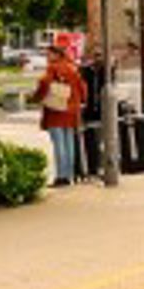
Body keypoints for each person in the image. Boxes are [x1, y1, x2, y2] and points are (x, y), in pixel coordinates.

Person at [32, 45, 86, 185]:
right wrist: (80, 101)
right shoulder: (72, 67)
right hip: (71, 110)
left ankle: (61, 176)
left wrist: (36, 97)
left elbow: (45, 83)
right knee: (69, 143)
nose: (47, 57)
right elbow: (82, 87)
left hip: (56, 110)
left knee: (59, 144)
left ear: (56, 55)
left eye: (49, 54)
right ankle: (69, 174)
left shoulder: (53, 68)